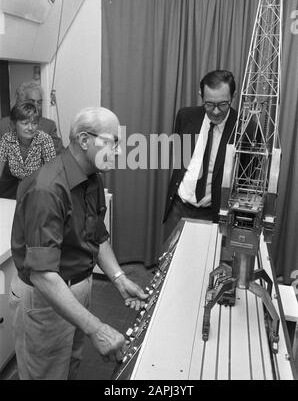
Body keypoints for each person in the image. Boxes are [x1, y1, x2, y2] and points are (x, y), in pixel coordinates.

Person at [9, 106, 148, 380]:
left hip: (77, 289)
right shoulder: (47, 188)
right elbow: (43, 275)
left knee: (69, 365)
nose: (118, 152)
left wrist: (119, 279)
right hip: (47, 296)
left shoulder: (92, 178)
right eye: (112, 143)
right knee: (47, 373)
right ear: (85, 140)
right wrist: (97, 329)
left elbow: (97, 235)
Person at [163, 70, 238, 240]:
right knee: (169, 262)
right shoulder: (185, 116)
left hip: (213, 215)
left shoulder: (244, 128)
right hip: (178, 208)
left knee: (205, 264)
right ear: (201, 96)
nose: (216, 111)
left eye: (223, 104)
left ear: (233, 96)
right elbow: (179, 160)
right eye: (209, 104)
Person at [0, 102, 56, 197]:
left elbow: (52, 172)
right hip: (13, 187)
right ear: (14, 124)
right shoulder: (7, 139)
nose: (30, 128)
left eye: (34, 123)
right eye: (25, 123)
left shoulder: (45, 139)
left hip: (39, 187)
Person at [0, 80, 63, 155]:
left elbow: (60, 156)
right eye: (32, 101)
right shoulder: (3, 124)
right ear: (20, 102)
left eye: (39, 102)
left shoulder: (49, 126)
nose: (36, 106)